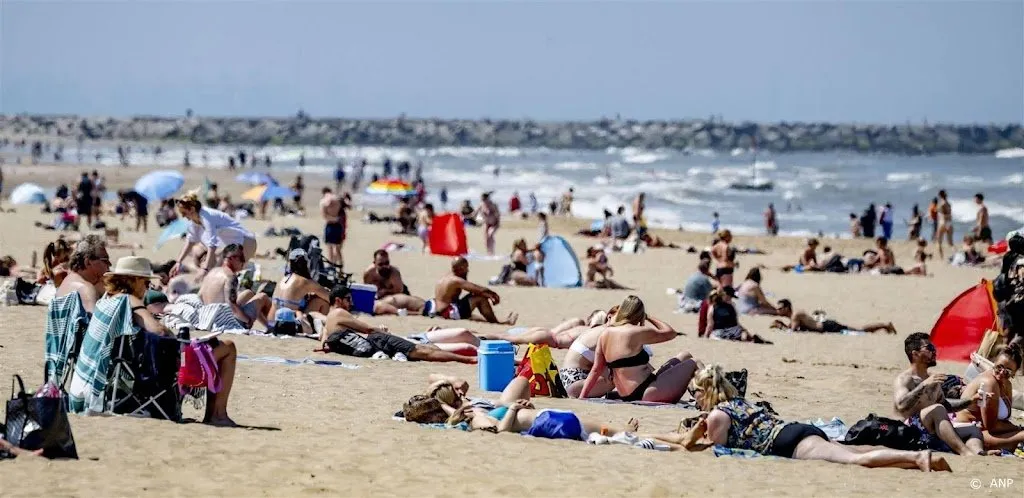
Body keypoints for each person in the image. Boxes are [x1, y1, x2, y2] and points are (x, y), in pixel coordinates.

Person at [676, 364, 950, 471]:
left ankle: (917, 458)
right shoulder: (738, 402)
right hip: (796, 429)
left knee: (855, 460)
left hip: (790, 443)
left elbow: (716, 451)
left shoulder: (716, 415)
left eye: (695, 393)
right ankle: (909, 460)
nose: (694, 398)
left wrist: (686, 440)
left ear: (706, 391)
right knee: (854, 450)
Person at [103, 256, 238, 426]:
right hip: (148, 369)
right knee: (228, 347)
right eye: (145, 283)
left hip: (122, 371)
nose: (147, 287)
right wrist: (177, 340)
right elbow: (159, 331)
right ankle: (217, 415)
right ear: (134, 280)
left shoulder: (107, 300)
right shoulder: (130, 300)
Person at [578, 296, 699, 403]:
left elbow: (596, 370)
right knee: (695, 363)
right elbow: (671, 333)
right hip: (646, 392)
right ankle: (706, 397)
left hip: (626, 394)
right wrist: (648, 317)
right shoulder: (637, 332)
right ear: (639, 314)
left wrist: (582, 396)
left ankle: (702, 395)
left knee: (685, 355)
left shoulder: (604, 334)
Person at [318, 286, 475, 363]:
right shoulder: (339, 313)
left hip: (371, 348)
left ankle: (465, 358)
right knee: (423, 351)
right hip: (377, 342)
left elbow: (324, 343)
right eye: (348, 299)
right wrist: (385, 332)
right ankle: (467, 360)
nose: (350, 303)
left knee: (423, 350)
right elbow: (367, 329)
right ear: (338, 300)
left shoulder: (328, 320)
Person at [892, 332, 986, 455]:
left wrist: (970, 401)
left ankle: (978, 453)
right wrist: (923, 386)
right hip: (907, 432)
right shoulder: (905, 379)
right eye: (929, 348)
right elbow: (901, 406)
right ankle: (965, 452)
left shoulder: (933, 379)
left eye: (934, 347)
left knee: (973, 430)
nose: (934, 351)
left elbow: (946, 405)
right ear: (915, 354)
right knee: (937, 409)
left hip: (929, 430)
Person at [954, 343, 1024, 450]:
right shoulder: (989, 383)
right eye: (999, 367)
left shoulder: (1007, 384)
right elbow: (992, 426)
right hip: (971, 432)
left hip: (988, 431)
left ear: (1013, 374)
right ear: (994, 363)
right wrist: (1017, 428)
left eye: (1007, 371)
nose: (1001, 372)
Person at [171, 192, 257, 279]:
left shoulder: (207, 216)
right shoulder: (195, 221)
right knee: (217, 273)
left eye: (184, 213)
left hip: (246, 242)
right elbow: (190, 241)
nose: (182, 216)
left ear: (192, 209)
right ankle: (247, 268)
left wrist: (205, 268)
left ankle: (249, 268)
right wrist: (178, 262)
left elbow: (212, 245)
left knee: (221, 274)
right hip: (233, 246)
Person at [198, 243, 271, 330]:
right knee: (262, 297)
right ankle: (274, 326)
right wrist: (247, 321)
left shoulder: (212, 272)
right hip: (226, 322)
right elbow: (231, 305)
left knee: (249, 293)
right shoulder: (230, 276)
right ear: (232, 258)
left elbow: (200, 296)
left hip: (208, 319)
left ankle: (268, 326)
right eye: (241, 258)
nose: (243, 262)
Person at [430, 257, 517, 324]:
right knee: (480, 298)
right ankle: (497, 323)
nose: (468, 270)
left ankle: (494, 319)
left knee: (475, 298)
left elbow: (473, 290)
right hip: (446, 312)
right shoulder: (456, 280)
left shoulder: (447, 276)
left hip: (436, 310)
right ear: (460, 268)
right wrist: (493, 295)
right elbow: (478, 289)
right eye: (466, 268)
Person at [268, 249, 331, 334]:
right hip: (289, 325)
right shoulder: (305, 281)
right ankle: (322, 329)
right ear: (306, 263)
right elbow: (330, 298)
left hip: (271, 323)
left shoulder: (283, 278)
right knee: (322, 301)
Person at [54, 235, 110, 313]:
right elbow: (94, 323)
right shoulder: (86, 289)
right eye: (105, 260)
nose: (109, 264)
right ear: (87, 262)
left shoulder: (66, 282)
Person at [772, 299, 895, 334]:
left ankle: (884, 325)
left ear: (787, 308)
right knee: (859, 329)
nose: (778, 310)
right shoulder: (794, 315)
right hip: (826, 325)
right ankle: (884, 326)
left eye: (780, 308)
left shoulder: (795, 315)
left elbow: (792, 331)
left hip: (827, 327)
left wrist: (779, 326)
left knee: (860, 329)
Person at [362, 249, 426, 315]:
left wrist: (384, 291)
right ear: (374, 263)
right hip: (380, 297)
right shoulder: (368, 274)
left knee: (399, 301)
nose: (384, 266)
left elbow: (399, 291)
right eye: (380, 264)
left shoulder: (394, 274)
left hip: (398, 294)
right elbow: (367, 289)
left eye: (387, 263)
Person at [705, 287, 771, 343]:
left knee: (714, 335)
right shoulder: (731, 306)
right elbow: (736, 323)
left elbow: (710, 325)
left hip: (719, 333)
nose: (731, 299)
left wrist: (706, 336)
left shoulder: (712, 308)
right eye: (730, 297)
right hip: (734, 332)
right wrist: (746, 331)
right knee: (741, 332)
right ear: (726, 295)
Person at [319, 187, 345, 267]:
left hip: (330, 225)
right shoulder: (337, 199)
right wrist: (336, 218)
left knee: (329, 247)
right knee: (337, 248)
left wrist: (332, 218)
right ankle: (340, 265)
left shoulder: (323, 201)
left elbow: (324, 216)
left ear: (324, 193)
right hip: (338, 225)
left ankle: (331, 265)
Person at [936, 190, 954, 258]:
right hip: (949, 223)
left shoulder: (941, 204)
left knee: (939, 242)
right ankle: (956, 254)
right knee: (950, 243)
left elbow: (941, 214)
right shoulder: (948, 204)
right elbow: (949, 214)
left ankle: (941, 257)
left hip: (942, 222)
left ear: (940, 195)